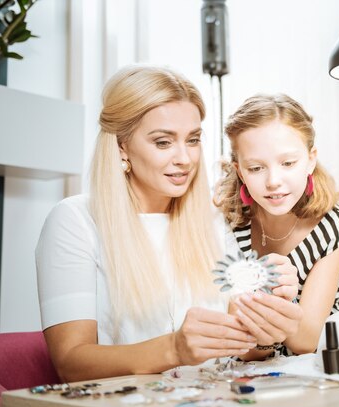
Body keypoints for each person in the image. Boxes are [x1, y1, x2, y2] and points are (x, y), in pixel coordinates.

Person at [36, 65, 301, 382]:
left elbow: (244, 349)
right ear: (122, 147)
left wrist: (266, 329)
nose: (185, 159)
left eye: (192, 140)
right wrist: (173, 349)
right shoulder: (75, 222)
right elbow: (71, 362)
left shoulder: (212, 224)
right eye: (163, 142)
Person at [214, 93, 339, 357]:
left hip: (322, 357)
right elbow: (246, 350)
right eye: (257, 168)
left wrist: (275, 299)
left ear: (311, 159)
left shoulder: (333, 224)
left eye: (288, 163)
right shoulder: (228, 225)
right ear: (239, 171)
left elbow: (304, 342)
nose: (273, 181)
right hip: (258, 365)